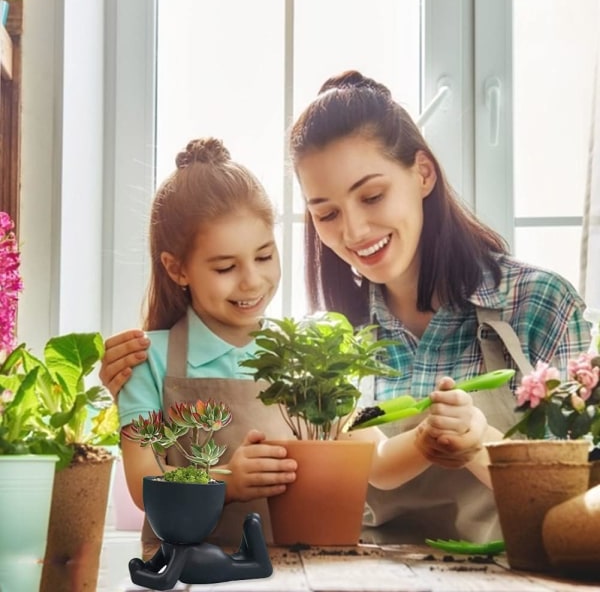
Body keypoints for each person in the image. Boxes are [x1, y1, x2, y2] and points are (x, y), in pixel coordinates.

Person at [102, 72, 592, 545]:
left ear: (423, 172)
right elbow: (371, 463)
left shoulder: (538, 304)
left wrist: (479, 442)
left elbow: (578, 500)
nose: (355, 231)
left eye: (373, 195)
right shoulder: (329, 342)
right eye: (327, 213)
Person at [116, 137, 297, 559]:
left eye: (265, 256)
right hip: (180, 573)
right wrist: (226, 480)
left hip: (293, 566)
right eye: (226, 267)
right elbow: (145, 484)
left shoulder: (299, 358)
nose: (252, 281)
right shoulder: (148, 361)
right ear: (176, 268)